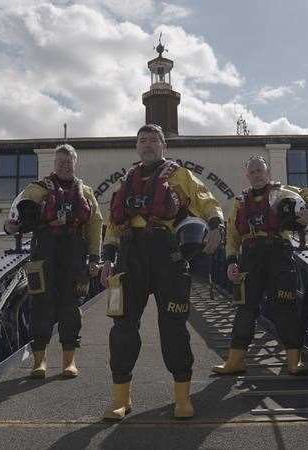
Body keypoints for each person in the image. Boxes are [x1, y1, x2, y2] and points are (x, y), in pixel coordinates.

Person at [99, 124, 224, 420]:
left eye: (154, 140)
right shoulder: (125, 180)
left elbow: (206, 199)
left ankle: (182, 397)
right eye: (142, 140)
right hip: (130, 258)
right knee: (123, 328)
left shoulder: (180, 175)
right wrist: (107, 258)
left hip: (168, 254)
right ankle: (121, 398)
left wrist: (217, 225)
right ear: (137, 146)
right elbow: (114, 223)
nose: (148, 144)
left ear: (163, 145)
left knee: (174, 327)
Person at [212, 155, 308, 376]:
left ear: (267, 172)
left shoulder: (282, 191)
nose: (256, 175)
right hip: (250, 256)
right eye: (252, 172)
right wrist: (232, 261)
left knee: (284, 305)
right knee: (245, 308)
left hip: (279, 253)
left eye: (259, 171)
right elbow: (232, 234)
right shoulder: (240, 202)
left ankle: (294, 361)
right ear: (247, 175)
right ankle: (235, 360)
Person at [4, 144, 103, 379]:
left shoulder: (86, 193)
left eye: (68, 163)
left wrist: (94, 258)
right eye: (60, 163)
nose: (65, 166)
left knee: (71, 307)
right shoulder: (37, 190)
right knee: (40, 304)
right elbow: (17, 217)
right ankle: (39, 361)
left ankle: (69, 362)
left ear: (75, 163)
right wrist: (12, 226)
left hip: (74, 254)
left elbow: (95, 224)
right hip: (43, 252)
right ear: (54, 164)